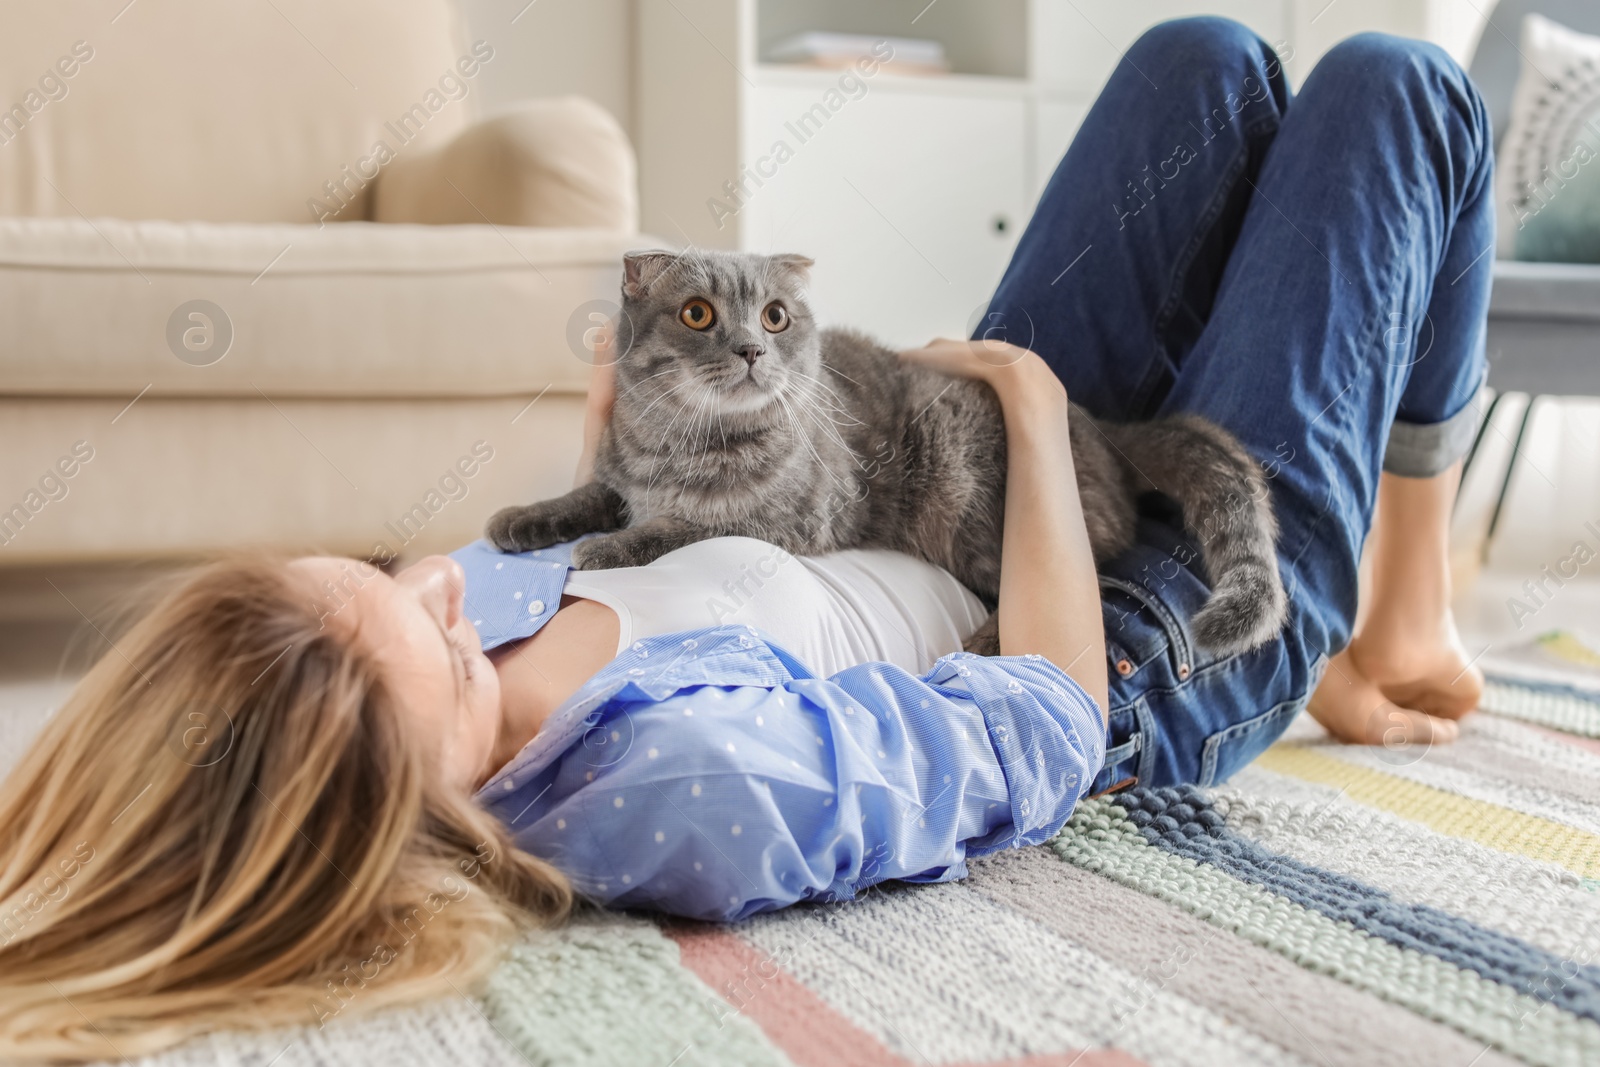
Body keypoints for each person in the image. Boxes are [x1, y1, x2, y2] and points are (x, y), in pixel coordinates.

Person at [0, 18, 1492, 1062]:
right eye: (447, 654)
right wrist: (1034, 421)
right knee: (1400, 91)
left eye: (384, 574)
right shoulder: (680, 789)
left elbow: (649, 549)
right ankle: (1391, 623)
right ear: (424, 826)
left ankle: (1377, 610)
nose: (448, 585)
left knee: (1203, 65)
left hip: (933, 473)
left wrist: (634, 442)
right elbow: (1044, 725)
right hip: (1127, 632)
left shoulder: (441, 644)